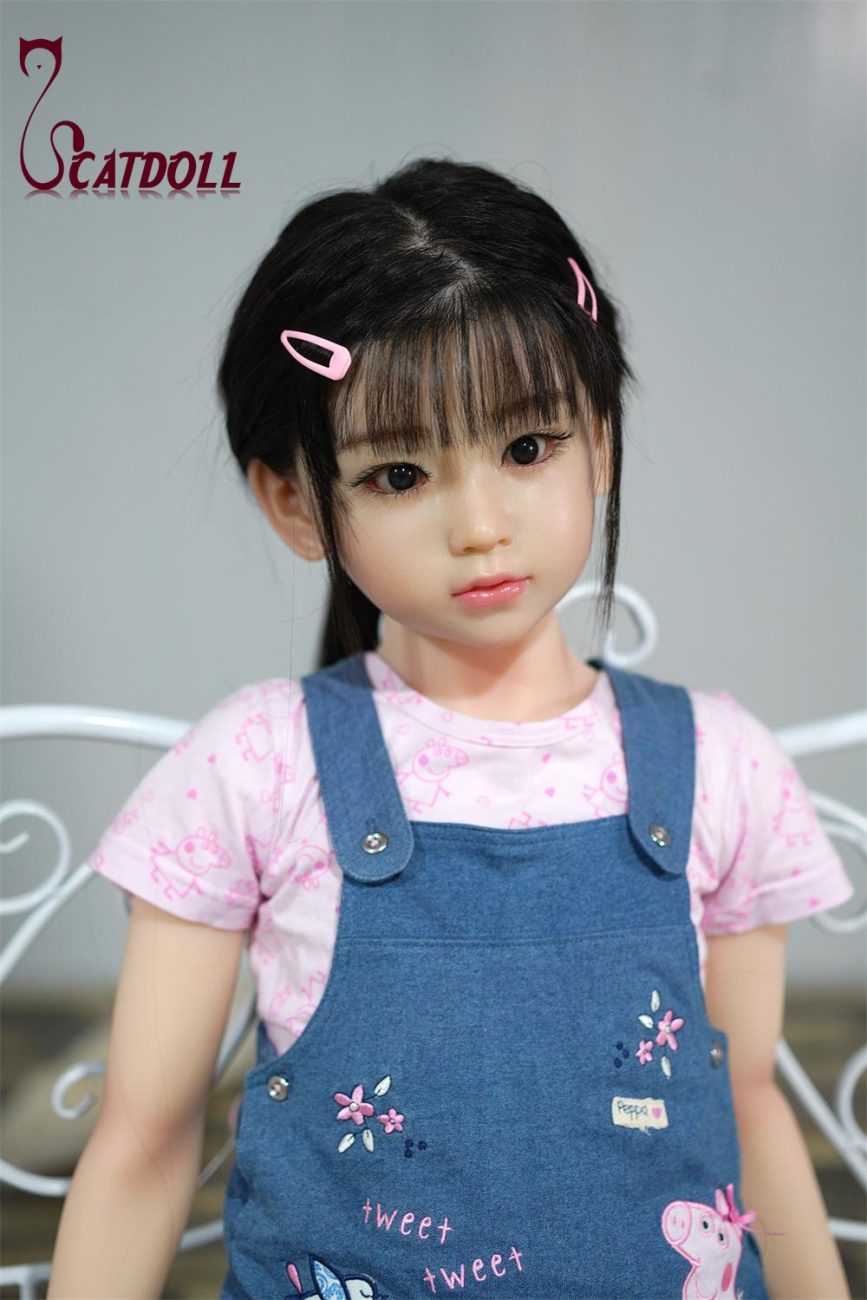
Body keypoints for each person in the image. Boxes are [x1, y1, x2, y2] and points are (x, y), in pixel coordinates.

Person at [47, 157, 854, 1300]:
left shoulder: (721, 767)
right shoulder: (257, 766)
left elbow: (751, 1108)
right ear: (296, 501)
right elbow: (142, 1138)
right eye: (399, 473)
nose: (479, 523)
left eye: (527, 448)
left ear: (601, 438)